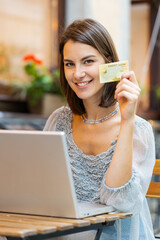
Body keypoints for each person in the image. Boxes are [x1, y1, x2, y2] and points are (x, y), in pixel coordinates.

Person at [44, 18, 155, 240]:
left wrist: (127, 119)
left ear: (109, 64)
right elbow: (43, 188)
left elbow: (119, 200)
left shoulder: (138, 129)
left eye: (87, 61)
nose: (77, 74)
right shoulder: (58, 121)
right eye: (69, 64)